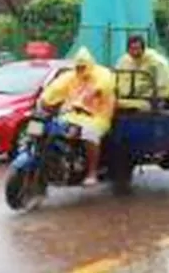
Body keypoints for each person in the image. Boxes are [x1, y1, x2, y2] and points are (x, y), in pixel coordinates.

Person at [38, 47, 116, 183]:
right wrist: (45, 99)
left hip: (97, 116)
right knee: (46, 127)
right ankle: (51, 161)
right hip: (72, 114)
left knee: (89, 133)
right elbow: (56, 87)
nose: (80, 69)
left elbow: (106, 84)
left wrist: (95, 91)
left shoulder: (102, 73)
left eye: (83, 66)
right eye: (78, 67)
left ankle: (92, 172)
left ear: (90, 64)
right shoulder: (71, 76)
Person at [115, 35, 169, 99]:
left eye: (137, 48)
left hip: (147, 100)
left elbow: (163, 87)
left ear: (143, 48)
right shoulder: (123, 61)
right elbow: (115, 79)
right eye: (132, 48)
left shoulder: (156, 62)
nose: (135, 52)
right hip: (123, 97)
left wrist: (158, 101)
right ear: (127, 49)